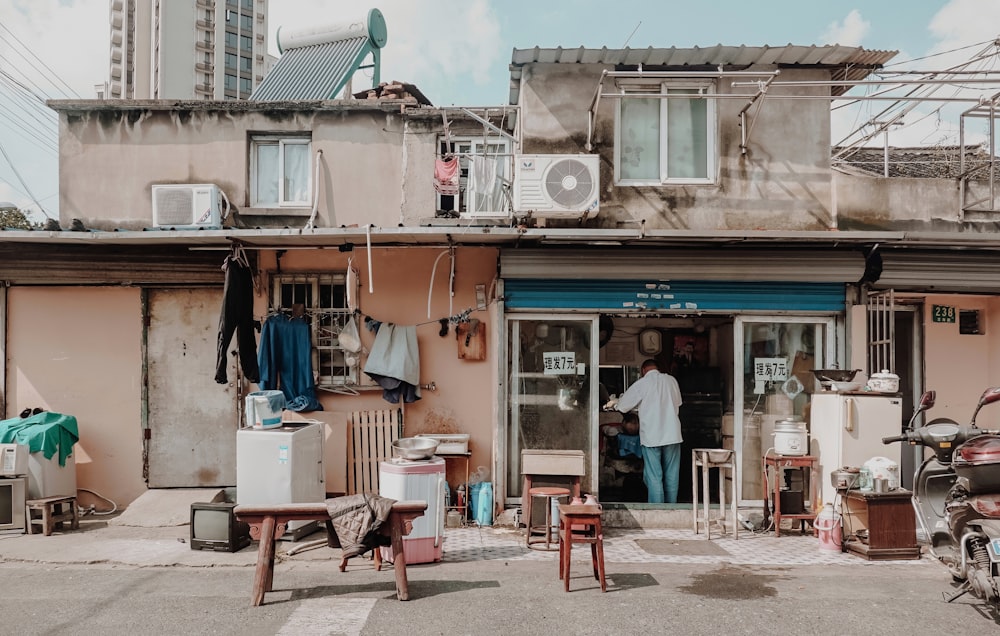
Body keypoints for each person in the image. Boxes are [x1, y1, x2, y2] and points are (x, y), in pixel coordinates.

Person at [610, 358, 683, 503]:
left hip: (652, 436)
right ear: (657, 368)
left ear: (643, 371)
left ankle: (658, 511)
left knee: (654, 475)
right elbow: (678, 403)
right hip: (673, 434)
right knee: (672, 475)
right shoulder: (671, 381)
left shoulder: (642, 383)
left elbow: (623, 406)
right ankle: (672, 509)